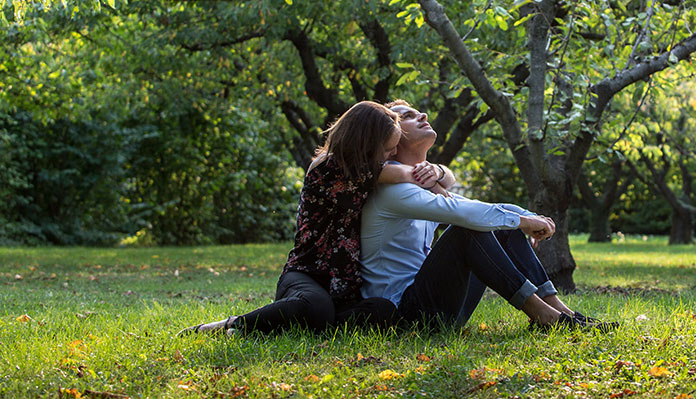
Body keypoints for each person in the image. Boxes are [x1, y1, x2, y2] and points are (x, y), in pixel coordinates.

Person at [180, 101, 439, 336]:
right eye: (387, 150)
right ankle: (232, 325)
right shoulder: (328, 166)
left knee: (382, 310)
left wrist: (437, 171)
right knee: (316, 305)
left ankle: (303, 327)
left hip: (345, 287)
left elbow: (429, 176)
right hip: (307, 275)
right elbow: (404, 175)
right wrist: (431, 175)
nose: (390, 157)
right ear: (366, 143)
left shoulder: (368, 171)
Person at [361, 100, 612, 331]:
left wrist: (530, 217)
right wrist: (525, 221)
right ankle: (544, 316)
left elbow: (475, 206)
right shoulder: (392, 190)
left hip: (438, 306)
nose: (423, 115)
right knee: (469, 228)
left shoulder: (420, 185)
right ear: (392, 141)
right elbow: (464, 213)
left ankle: (559, 309)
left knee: (497, 223)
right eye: (408, 116)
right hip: (405, 316)